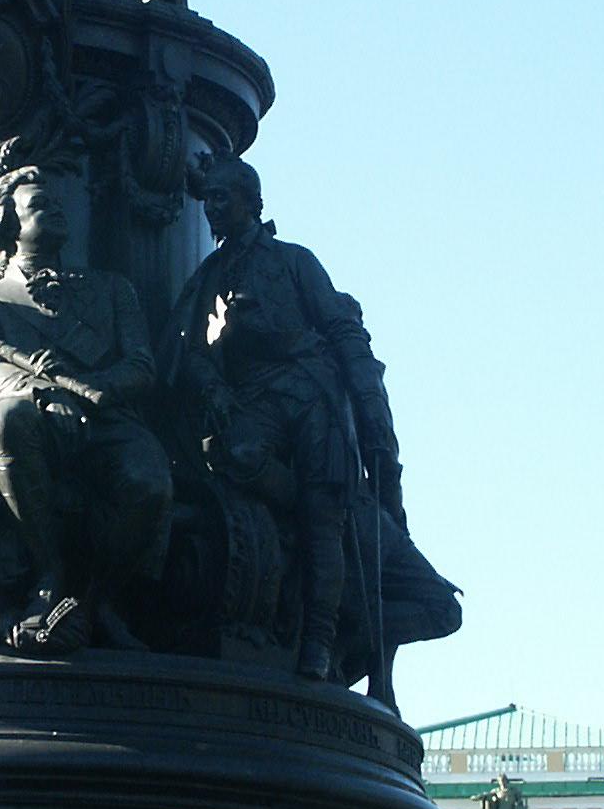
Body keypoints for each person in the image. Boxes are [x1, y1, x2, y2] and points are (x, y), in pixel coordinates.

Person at [163, 156, 420, 683]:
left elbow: (341, 326)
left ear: (252, 202)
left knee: (325, 512)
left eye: (222, 198)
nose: (212, 209)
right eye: (207, 199)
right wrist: (213, 387)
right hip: (255, 399)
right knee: (237, 455)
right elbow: (186, 351)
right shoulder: (210, 274)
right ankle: (302, 515)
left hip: (311, 393)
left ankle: (319, 637)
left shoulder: (294, 260)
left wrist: (369, 406)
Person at [0, 166, 172, 652]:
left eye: (56, 203)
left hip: (108, 419)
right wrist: (44, 394)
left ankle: (94, 601)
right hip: (39, 421)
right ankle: (49, 574)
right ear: (9, 225)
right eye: (39, 205)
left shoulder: (113, 289)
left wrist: (93, 388)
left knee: (149, 479)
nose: (55, 210)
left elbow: (141, 365)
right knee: (5, 420)